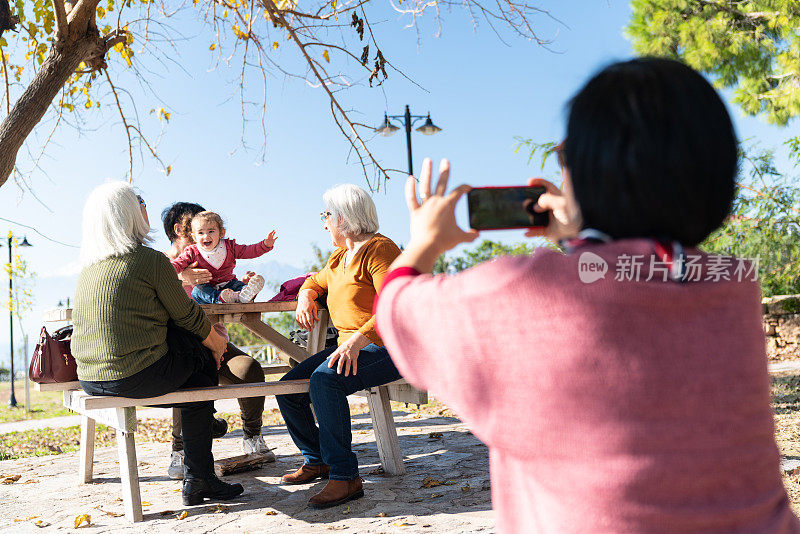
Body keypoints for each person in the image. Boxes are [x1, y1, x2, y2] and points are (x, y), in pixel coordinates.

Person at [375, 58, 800, 533]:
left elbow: (397, 308)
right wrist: (583, 235)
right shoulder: (733, 284)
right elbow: (635, 275)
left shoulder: (515, 296)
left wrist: (424, 241)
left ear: (589, 170)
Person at [72, 182, 244, 506]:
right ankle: (200, 475)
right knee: (203, 361)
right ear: (128, 213)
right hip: (133, 376)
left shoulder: (89, 267)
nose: (144, 205)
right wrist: (218, 345)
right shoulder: (149, 260)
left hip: (92, 379)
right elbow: (189, 317)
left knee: (195, 369)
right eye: (139, 201)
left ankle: (202, 444)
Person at [275, 184, 402, 509]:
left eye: (327, 215)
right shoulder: (340, 256)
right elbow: (315, 281)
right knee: (288, 388)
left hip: (388, 347)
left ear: (345, 219)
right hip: (349, 347)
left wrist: (358, 340)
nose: (324, 222)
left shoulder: (380, 249)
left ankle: (346, 477)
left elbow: (394, 305)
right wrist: (306, 294)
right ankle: (318, 460)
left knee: (325, 380)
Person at [161, 202, 276, 480]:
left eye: (210, 231)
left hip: (219, 344)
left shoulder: (214, 257)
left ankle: (253, 437)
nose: (206, 238)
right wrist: (181, 276)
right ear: (181, 231)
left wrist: (239, 287)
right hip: (184, 348)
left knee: (250, 370)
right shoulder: (162, 264)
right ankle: (180, 451)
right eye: (196, 230)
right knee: (186, 380)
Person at [170, 210, 277, 304]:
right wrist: (166, 268)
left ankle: (246, 293)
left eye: (211, 231)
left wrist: (265, 245)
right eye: (201, 233)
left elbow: (248, 251)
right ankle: (220, 298)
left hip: (229, 284)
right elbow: (178, 263)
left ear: (221, 233)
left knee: (237, 285)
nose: (206, 236)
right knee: (197, 291)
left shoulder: (229, 247)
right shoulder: (192, 251)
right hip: (208, 288)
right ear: (194, 237)